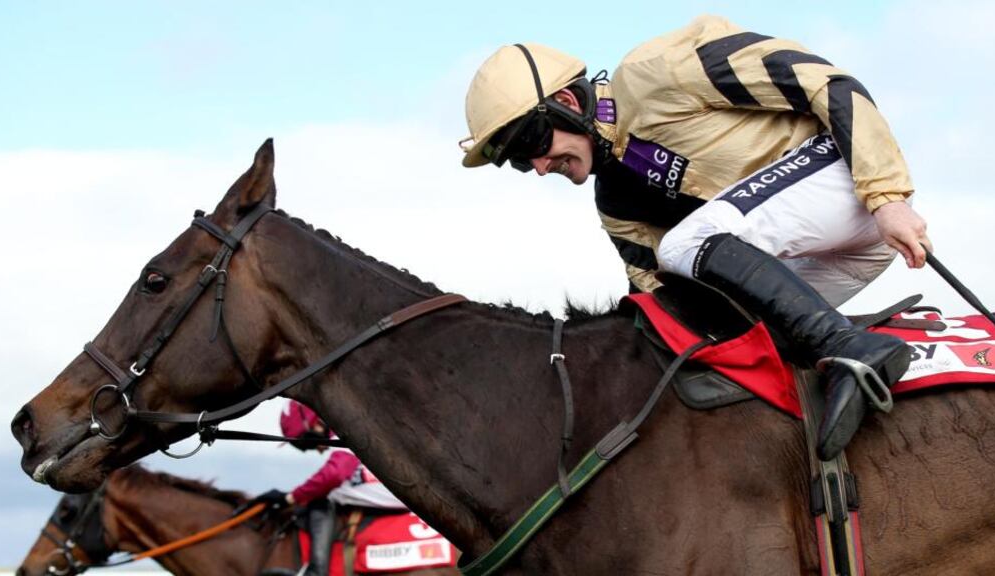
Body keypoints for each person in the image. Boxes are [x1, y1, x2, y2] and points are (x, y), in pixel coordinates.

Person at [459, 15, 932, 460]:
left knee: (683, 245)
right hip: (842, 252)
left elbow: (831, 85)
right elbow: (658, 302)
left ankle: (850, 347)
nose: (539, 166)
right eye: (520, 161)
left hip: (845, 180)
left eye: (531, 142)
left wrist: (886, 196)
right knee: (714, 325)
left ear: (565, 103)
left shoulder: (654, 73)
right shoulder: (615, 203)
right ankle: (839, 374)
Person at [254, 401, 406, 576]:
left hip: (400, 491)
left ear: (317, 422)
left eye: (307, 444)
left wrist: (290, 498)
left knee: (325, 497)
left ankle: (317, 571)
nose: (317, 450)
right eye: (303, 448)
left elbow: (334, 474)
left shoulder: (350, 427)